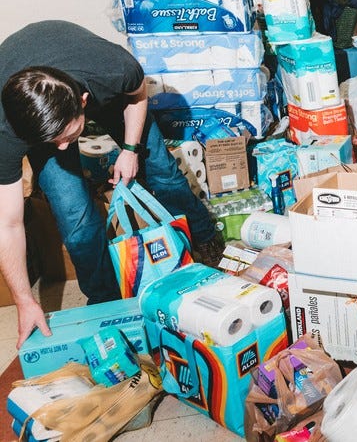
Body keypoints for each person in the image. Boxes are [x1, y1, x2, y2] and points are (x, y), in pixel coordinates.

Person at [0, 21, 224, 348]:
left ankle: (205, 239)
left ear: (85, 101)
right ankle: (105, 298)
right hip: (32, 104)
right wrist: (24, 301)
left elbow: (138, 95)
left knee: (160, 169)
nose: (64, 147)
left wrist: (131, 150)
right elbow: (8, 223)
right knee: (73, 214)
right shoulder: (9, 131)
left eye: (68, 136)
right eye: (53, 140)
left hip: (98, 86)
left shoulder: (113, 69)